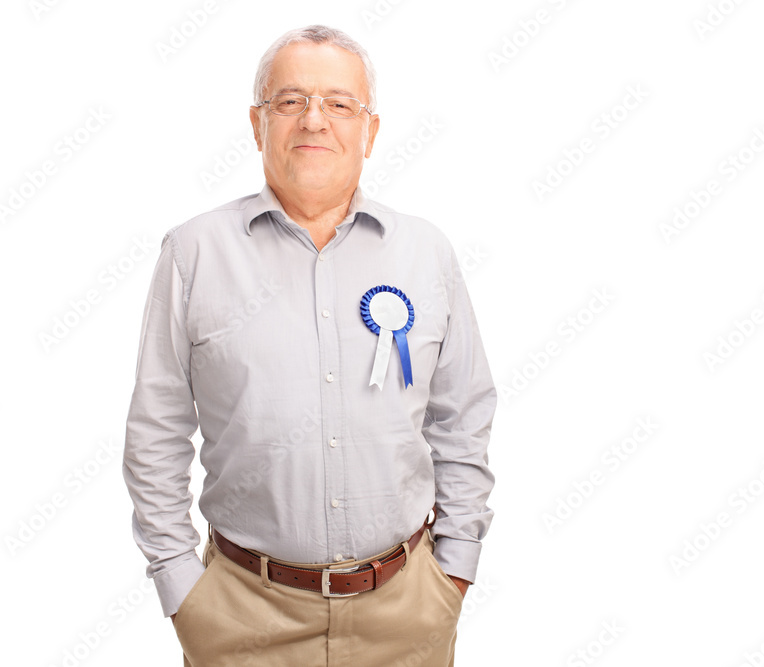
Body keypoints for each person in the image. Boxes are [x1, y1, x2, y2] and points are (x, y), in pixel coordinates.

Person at [122, 24, 497, 666]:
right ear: (257, 122)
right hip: (240, 617)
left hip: (407, 613)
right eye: (291, 101)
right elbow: (155, 433)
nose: (315, 120)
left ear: (370, 130)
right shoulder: (193, 253)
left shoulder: (426, 253)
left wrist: (453, 572)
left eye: (340, 103)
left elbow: (462, 420)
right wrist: (182, 589)